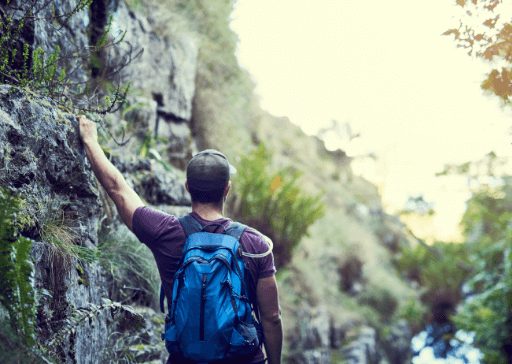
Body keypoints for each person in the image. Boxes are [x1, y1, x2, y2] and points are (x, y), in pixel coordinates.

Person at [78, 115, 283, 364]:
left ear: (187, 186)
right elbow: (271, 318)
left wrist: (90, 140)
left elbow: (117, 189)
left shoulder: (165, 232)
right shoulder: (256, 244)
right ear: (227, 188)